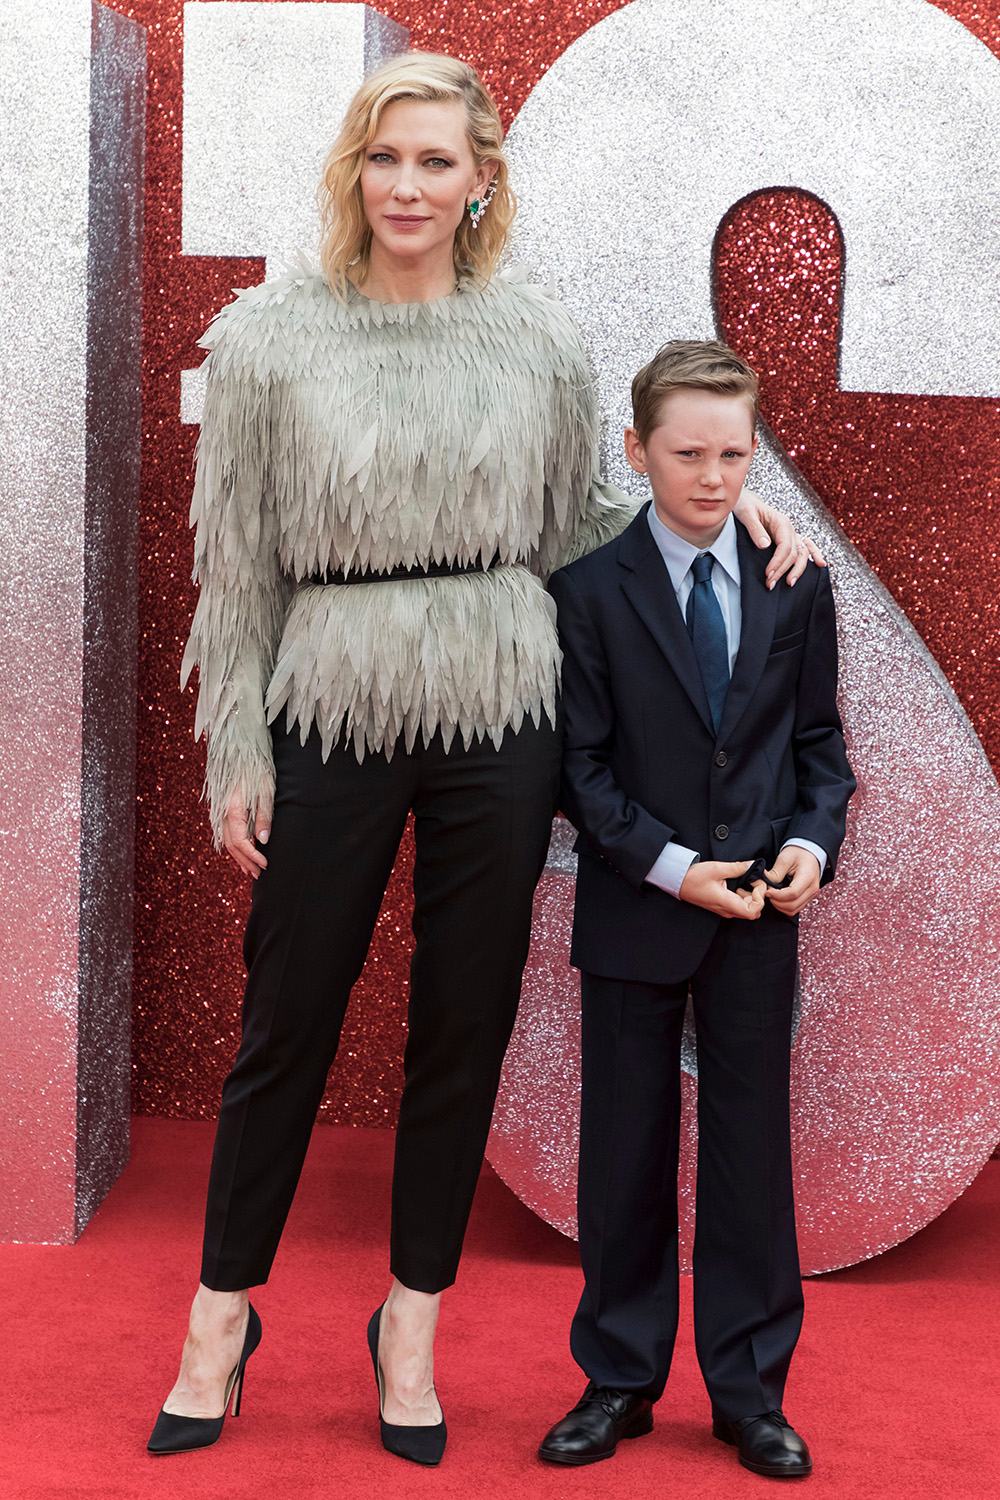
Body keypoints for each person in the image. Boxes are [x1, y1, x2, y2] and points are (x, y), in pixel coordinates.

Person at [148, 56, 817, 1466]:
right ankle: (222, 1314)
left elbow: (582, 527)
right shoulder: (269, 338)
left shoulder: (536, 346)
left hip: (502, 704)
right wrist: (236, 748)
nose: (407, 185)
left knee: (464, 1027)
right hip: (330, 689)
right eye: (386, 158)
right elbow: (236, 563)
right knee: (290, 1018)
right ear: (354, 170)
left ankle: (411, 1323)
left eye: (436, 163)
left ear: (480, 183)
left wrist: (731, 530)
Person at [539, 340, 855, 1478]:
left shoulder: (796, 582)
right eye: (687, 453)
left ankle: (749, 1393)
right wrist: (673, 868)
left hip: (761, 922)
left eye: (733, 453)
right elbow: (578, 771)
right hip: (639, 910)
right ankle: (619, 1379)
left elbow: (819, 750)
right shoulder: (585, 595)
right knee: (621, 1155)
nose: (713, 477)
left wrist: (813, 843)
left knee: (749, 1159)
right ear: (636, 452)